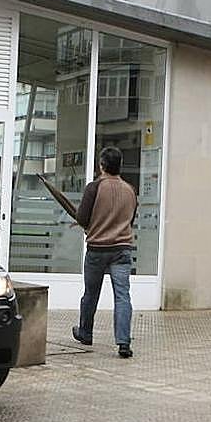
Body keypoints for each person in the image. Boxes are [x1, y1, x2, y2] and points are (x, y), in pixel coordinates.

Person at [71, 146, 138, 358]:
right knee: (122, 296)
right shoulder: (130, 190)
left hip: (97, 249)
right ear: (119, 166)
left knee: (91, 294)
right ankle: (123, 343)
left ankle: (85, 332)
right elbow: (130, 220)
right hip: (122, 250)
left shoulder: (94, 188)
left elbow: (82, 218)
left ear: (102, 165)